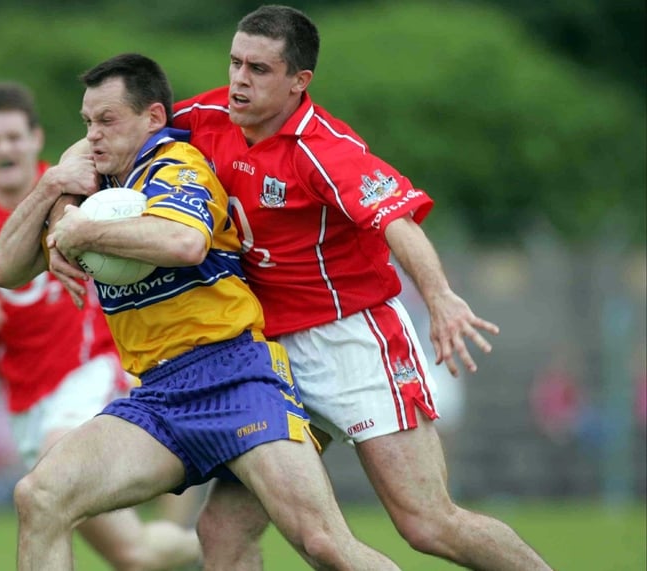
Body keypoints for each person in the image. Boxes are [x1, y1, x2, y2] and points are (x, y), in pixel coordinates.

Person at [50, 6, 553, 570]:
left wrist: (440, 297)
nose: (240, 79)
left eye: (259, 69)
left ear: (299, 81)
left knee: (427, 523)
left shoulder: (325, 148)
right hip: (266, 357)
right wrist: (65, 218)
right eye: (236, 62)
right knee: (221, 532)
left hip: (349, 343)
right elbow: (102, 138)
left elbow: (396, 221)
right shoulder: (207, 113)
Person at [0, 53, 401, 571]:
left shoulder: (176, 165)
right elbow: (2, 270)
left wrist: (81, 231)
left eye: (108, 120)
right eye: (87, 122)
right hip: (157, 398)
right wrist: (51, 185)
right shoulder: (93, 191)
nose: (94, 135)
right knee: (40, 495)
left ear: (153, 118)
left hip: (236, 380)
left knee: (321, 542)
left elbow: (183, 242)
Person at [0, 81, 200, 570]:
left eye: (14, 136)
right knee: (137, 555)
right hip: (24, 401)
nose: (5, 148)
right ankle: (209, 549)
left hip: (90, 370)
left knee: (52, 462)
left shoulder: (82, 189)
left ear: (36, 138)